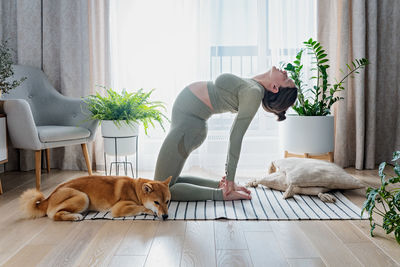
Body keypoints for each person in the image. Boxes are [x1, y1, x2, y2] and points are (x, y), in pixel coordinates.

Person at [154, 66, 298, 201]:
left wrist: (230, 178)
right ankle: (219, 186)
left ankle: (221, 194)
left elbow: (236, 135)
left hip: (188, 128)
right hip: (184, 124)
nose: (285, 72)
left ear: (274, 87)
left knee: (159, 189)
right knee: (170, 181)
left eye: (286, 80)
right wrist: (225, 182)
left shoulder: (254, 93)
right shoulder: (253, 85)